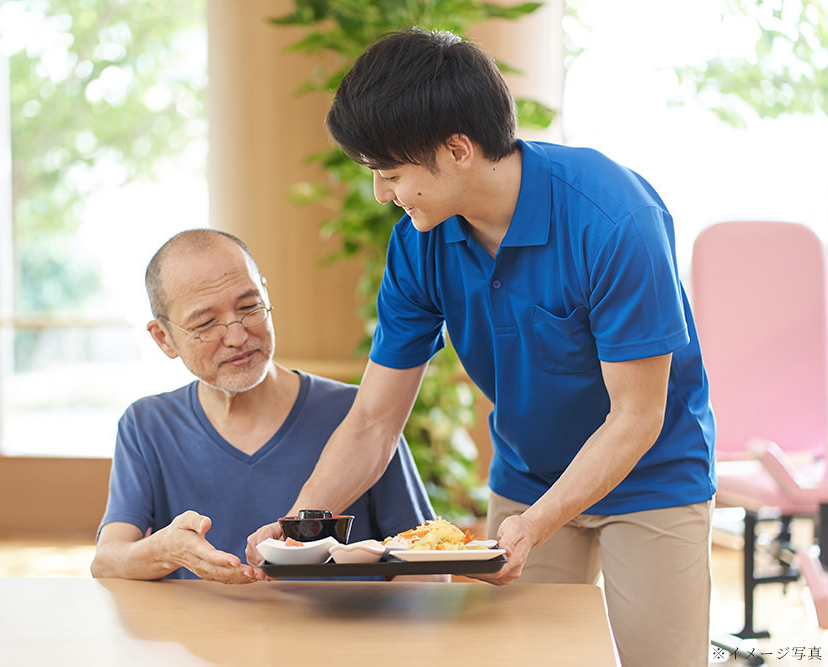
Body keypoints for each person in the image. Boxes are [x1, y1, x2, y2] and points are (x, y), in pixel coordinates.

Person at [246, 29, 716, 666]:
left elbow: (637, 414)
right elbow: (375, 419)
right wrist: (302, 525)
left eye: (391, 173)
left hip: (653, 474)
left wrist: (534, 526)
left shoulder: (613, 220)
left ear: (458, 150)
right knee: (522, 657)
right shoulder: (419, 244)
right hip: (527, 474)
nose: (382, 194)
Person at [91, 228, 436, 584]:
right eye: (207, 323)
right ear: (164, 338)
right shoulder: (147, 425)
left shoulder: (359, 414)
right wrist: (166, 550)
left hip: (341, 637)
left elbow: (428, 568)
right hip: (203, 638)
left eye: (249, 307)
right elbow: (107, 561)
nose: (238, 337)